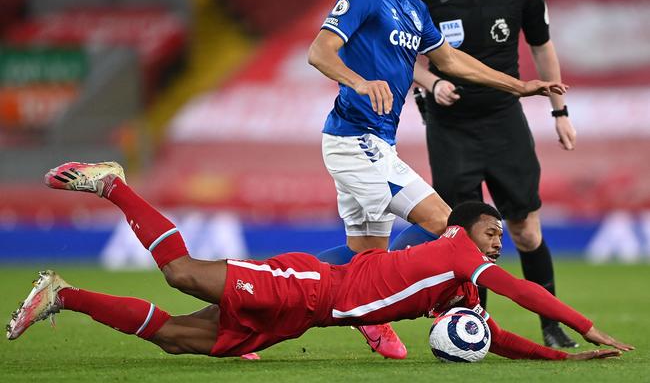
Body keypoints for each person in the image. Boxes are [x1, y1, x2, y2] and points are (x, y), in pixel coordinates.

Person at [7, 161, 632, 363]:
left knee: (177, 339)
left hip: (307, 318)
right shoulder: (462, 252)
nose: (498, 240)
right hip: (310, 285)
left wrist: (560, 358)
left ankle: (63, 295)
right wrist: (582, 324)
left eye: (499, 234)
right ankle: (115, 185)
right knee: (180, 273)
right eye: (493, 230)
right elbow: (522, 294)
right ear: (468, 229)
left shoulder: (460, 289)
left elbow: (493, 334)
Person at [307, 0, 567, 357]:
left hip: (375, 143)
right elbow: (319, 51)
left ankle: (262, 289)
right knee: (447, 225)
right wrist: (358, 81)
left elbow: (449, 59)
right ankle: (456, 310)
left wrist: (516, 85)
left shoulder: (414, 8)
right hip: (355, 141)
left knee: (362, 256)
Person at [404, 0, 578, 349]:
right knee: (462, 238)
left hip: (504, 122)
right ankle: (474, 329)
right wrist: (430, 82)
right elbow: (403, 59)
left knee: (525, 230)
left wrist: (560, 112)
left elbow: (542, 48)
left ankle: (551, 326)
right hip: (450, 127)